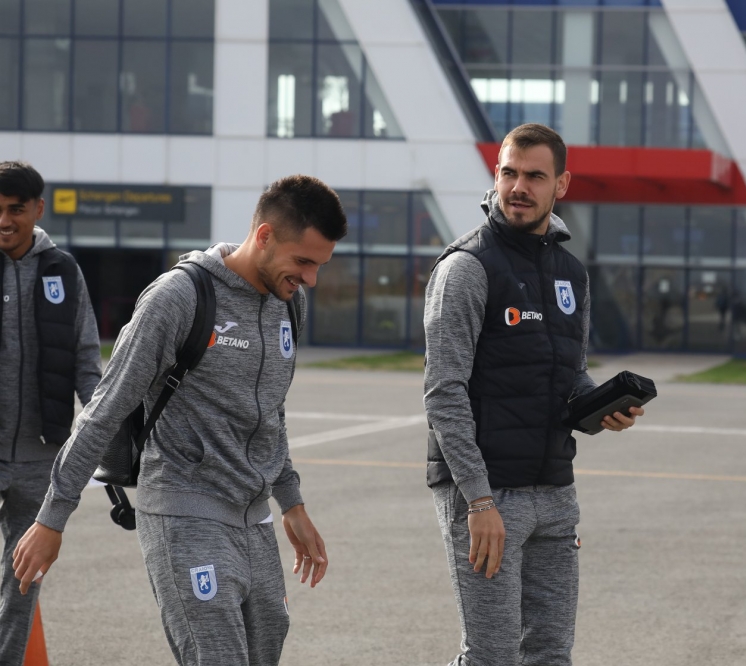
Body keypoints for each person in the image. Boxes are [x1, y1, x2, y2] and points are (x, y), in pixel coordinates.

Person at [14, 175, 348, 666]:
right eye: (303, 262)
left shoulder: (288, 302)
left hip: (253, 518)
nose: (311, 279)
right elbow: (104, 409)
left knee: (266, 648)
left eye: (319, 265)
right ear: (264, 236)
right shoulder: (179, 297)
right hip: (183, 510)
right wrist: (53, 516)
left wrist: (291, 502)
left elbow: (268, 412)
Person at [423, 123, 645, 665]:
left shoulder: (571, 273)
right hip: (487, 493)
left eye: (534, 176)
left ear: (561, 184)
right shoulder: (467, 268)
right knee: (492, 655)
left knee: (550, 653)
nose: (518, 186)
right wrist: (477, 499)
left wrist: (600, 406)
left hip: (554, 491)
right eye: (508, 173)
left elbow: (570, 374)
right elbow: (443, 392)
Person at [0, 161, 103, 664]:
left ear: (37, 209)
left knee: (21, 585)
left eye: (15, 209)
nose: (4, 220)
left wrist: (114, 437)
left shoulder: (62, 270)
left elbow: (86, 362)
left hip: (40, 459)